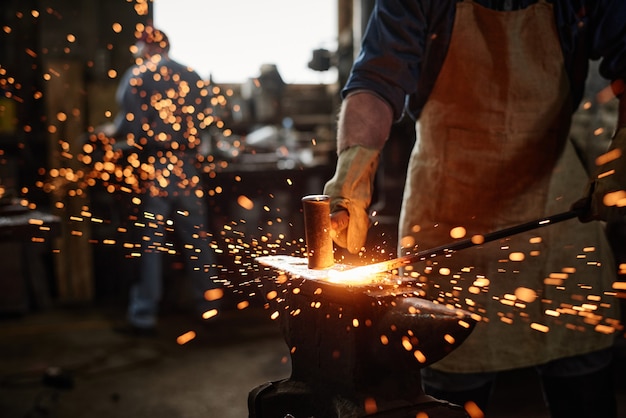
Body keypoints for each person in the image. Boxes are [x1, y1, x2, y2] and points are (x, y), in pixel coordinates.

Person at [323, 1, 626, 416]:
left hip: (555, 206)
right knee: (447, 385)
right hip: (445, 209)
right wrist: (352, 170)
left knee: (583, 375)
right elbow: (376, 81)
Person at [107, 27, 220, 335]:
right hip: (187, 165)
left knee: (151, 243)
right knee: (198, 238)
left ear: (144, 46)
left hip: (157, 166)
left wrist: (104, 134)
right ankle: (208, 305)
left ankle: (144, 315)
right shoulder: (192, 75)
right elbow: (207, 120)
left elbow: (129, 125)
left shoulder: (138, 75)